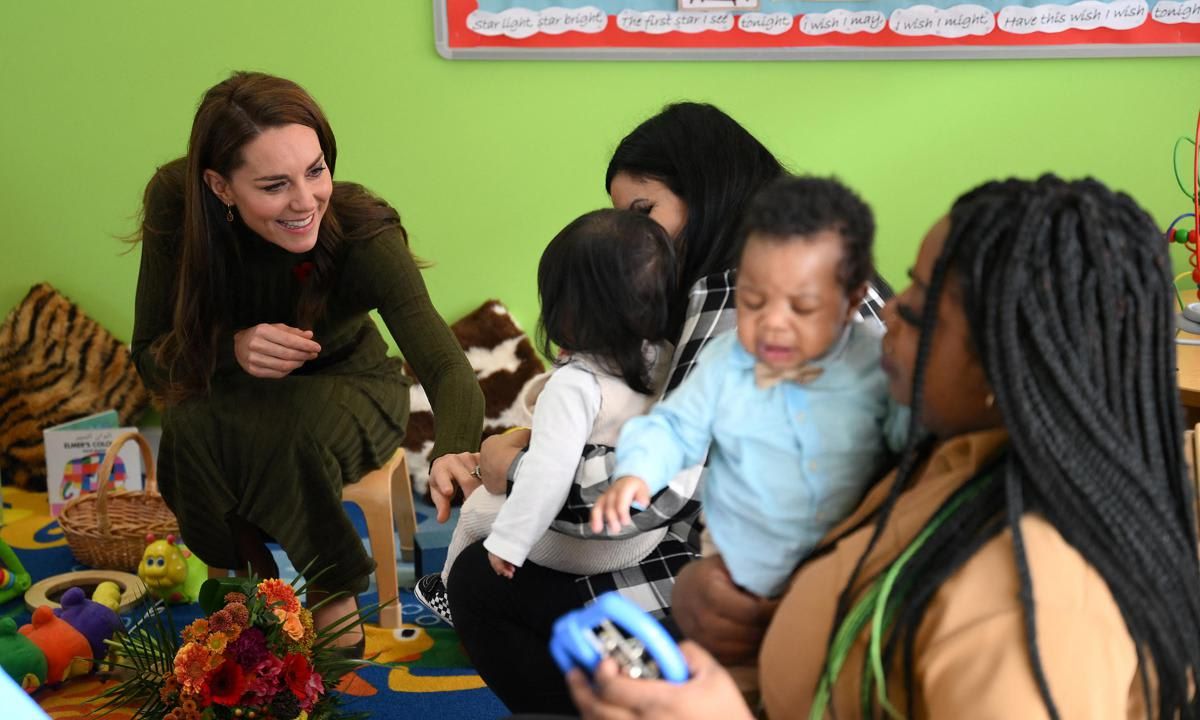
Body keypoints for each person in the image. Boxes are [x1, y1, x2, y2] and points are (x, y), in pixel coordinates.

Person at [568, 175, 1200, 719]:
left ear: (1009, 364)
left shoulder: (1033, 601)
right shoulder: (941, 462)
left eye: (922, 311)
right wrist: (709, 599)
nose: (889, 315)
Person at [434, 103, 893, 713]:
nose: (637, 238)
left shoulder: (738, 296)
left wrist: (509, 473)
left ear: (705, 188)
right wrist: (525, 446)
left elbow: (652, 494)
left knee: (480, 582)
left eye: (645, 213)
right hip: (822, 557)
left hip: (783, 584)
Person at [130, 72, 484, 648]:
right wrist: (233, 348)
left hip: (354, 385)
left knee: (286, 431)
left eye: (316, 170)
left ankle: (331, 599)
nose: (305, 202)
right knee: (190, 422)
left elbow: (446, 367)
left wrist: (453, 451)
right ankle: (252, 584)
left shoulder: (363, 230)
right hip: (234, 384)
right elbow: (149, 356)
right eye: (273, 186)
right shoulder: (177, 204)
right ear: (220, 187)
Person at [592, 176, 907, 601]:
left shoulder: (873, 366)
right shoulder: (728, 358)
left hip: (840, 553)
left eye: (802, 307)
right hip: (740, 549)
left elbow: (912, 444)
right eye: (755, 302)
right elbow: (676, 425)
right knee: (701, 600)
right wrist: (639, 470)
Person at [414, 209, 679, 625]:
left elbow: (547, 474)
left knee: (476, 509)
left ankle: (447, 594)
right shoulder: (665, 356)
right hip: (645, 533)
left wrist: (509, 543)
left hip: (584, 547)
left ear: (566, 311)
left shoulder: (574, 386)